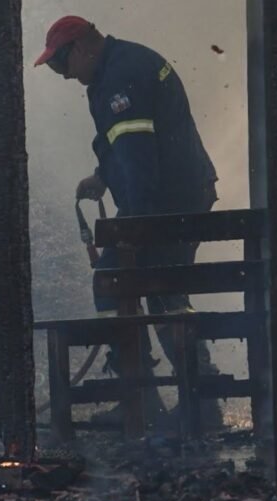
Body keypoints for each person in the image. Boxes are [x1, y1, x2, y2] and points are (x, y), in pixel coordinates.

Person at [34, 15, 223, 429]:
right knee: (164, 293)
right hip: (175, 196)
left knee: (116, 279)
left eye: (61, 65)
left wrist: (131, 228)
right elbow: (127, 144)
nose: (64, 76)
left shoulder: (120, 77)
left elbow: (139, 160)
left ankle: (146, 399)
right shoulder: (115, 70)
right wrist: (103, 176)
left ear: (81, 47)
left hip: (168, 202)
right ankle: (193, 400)